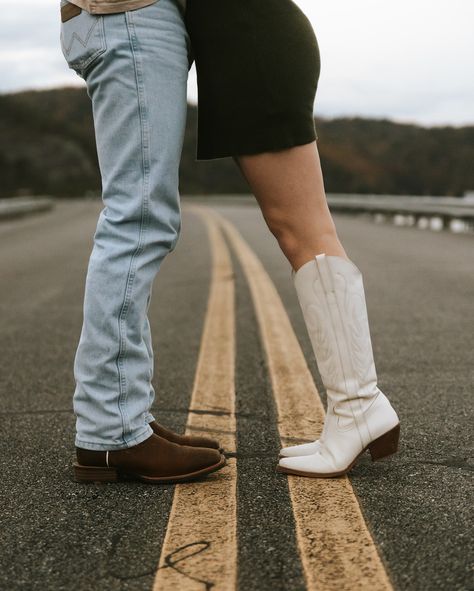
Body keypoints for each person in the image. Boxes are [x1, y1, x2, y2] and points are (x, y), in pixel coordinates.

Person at [185, 0, 400, 477]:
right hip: (240, 47)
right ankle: (355, 407)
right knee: (296, 231)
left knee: (306, 232)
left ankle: (358, 406)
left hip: (252, 40)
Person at [59, 0, 226, 483]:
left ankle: (125, 416)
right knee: (137, 219)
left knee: (140, 217)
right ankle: (111, 430)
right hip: (129, 11)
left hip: (125, 15)